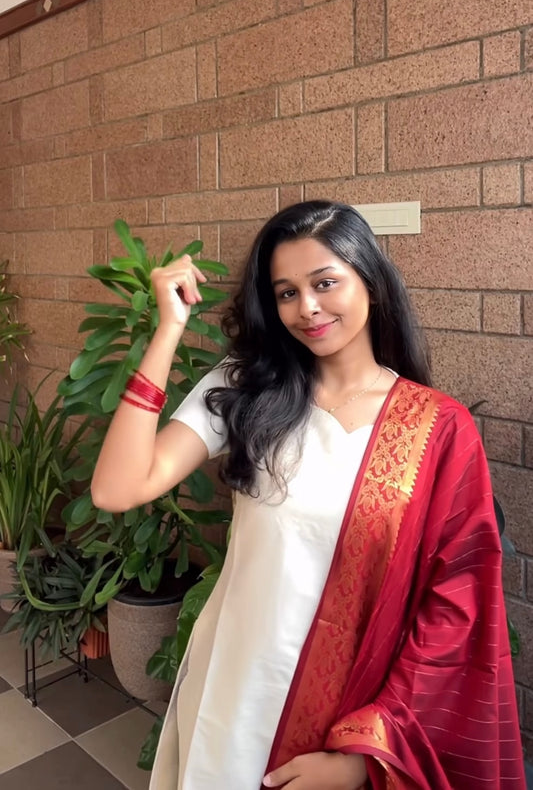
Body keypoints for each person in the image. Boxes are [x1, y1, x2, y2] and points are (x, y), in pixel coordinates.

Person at [91, 200, 526, 790]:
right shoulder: (247, 388)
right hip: (233, 689)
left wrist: (362, 755)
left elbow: (455, 608)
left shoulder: (436, 429)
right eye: (286, 292)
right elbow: (118, 487)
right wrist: (168, 330)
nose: (308, 308)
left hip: (354, 714)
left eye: (325, 283)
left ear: (369, 281)